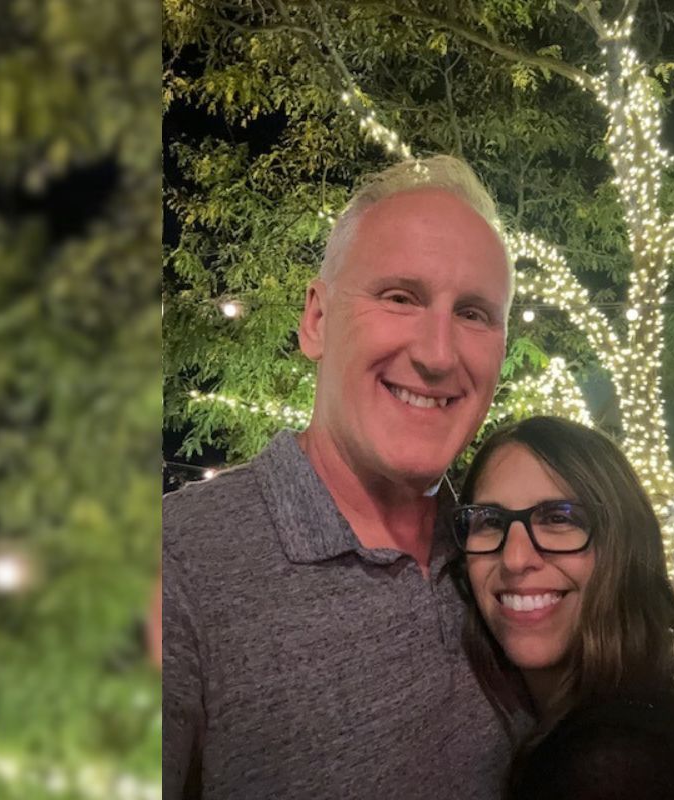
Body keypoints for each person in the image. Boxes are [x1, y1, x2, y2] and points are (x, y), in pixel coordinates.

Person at [163, 155, 517, 799]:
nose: (438, 354)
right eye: (400, 298)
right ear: (317, 320)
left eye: (473, 313)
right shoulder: (174, 565)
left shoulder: (503, 560)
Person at [451, 416, 674, 799]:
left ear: (622, 547)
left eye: (558, 518)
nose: (515, 558)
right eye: (489, 521)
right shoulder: (632, 717)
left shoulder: (614, 763)